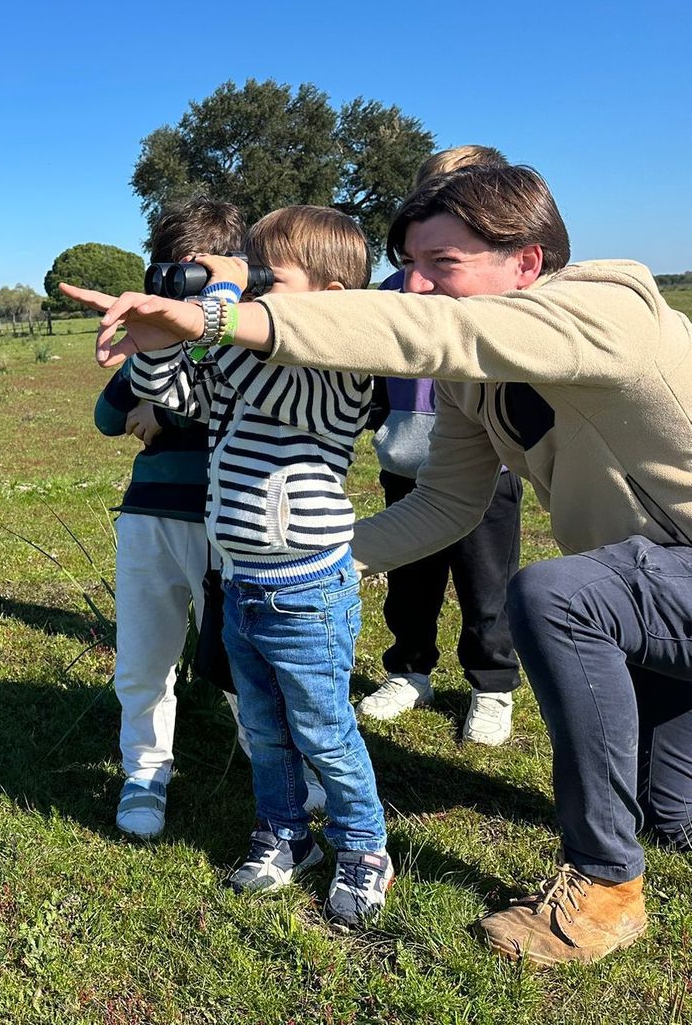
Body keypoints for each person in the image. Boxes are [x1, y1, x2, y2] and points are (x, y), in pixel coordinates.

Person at [61, 161, 692, 965]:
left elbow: (429, 332)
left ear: (527, 262)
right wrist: (318, 562)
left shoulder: (611, 311)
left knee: (557, 596)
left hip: (668, 574)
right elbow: (448, 504)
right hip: (656, 592)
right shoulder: (474, 387)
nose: (415, 286)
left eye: (443, 263)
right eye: (410, 265)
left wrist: (219, 311)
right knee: (671, 815)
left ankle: (604, 883)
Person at [125, 206, 391, 927]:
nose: (253, 290)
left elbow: (252, 370)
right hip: (243, 582)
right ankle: (284, 833)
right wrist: (156, 343)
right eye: (251, 275)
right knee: (267, 731)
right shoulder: (246, 369)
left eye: (269, 278)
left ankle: (364, 846)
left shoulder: (342, 378)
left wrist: (217, 303)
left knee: (324, 728)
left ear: (333, 298)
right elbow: (177, 396)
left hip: (307, 590)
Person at [360, 145, 524, 745]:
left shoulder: (501, 293)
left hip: (489, 467)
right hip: (407, 462)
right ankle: (409, 671)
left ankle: (492, 686)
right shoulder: (395, 289)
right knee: (409, 581)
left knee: (488, 584)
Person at [94, 199, 248, 839]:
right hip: (150, 515)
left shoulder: (247, 339)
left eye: (198, 273)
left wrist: (165, 412)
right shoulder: (153, 340)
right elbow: (107, 417)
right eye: (172, 272)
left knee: (239, 655)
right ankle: (144, 771)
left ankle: (273, 759)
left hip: (230, 519)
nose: (182, 289)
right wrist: (152, 353)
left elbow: (249, 408)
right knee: (142, 655)